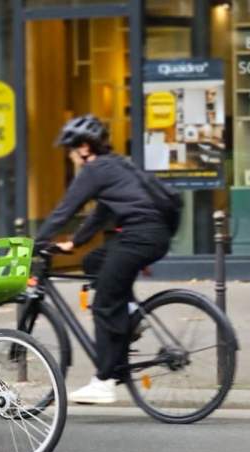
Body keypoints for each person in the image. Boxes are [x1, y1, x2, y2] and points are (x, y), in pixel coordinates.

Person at [35, 115, 173, 405]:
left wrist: (32, 244)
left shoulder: (94, 169)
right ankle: (131, 313)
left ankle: (104, 381)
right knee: (94, 262)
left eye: (71, 151)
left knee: (103, 305)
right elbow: (101, 213)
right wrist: (76, 243)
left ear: (84, 147)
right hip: (155, 234)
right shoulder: (118, 164)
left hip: (139, 237)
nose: (70, 157)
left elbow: (65, 211)